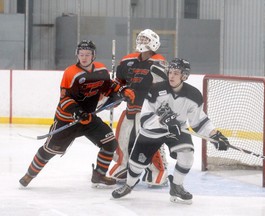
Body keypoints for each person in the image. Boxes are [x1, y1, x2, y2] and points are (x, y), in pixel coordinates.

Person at [111, 58, 229, 204]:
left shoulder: (193, 95)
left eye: (176, 73)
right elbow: (145, 119)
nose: (171, 76)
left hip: (177, 131)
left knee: (187, 155)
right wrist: (164, 121)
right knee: (137, 164)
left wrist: (215, 135)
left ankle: (177, 186)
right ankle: (129, 185)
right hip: (151, 132)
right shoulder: (155, 90)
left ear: (184, 76)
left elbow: (199, 121)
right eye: (170, 72)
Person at [19, 40, 135, 188]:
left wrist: (122, 90)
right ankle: (29, 175)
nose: (84, 58)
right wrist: (78, 112)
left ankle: (99, 175)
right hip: (68, 120)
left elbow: (109, 87)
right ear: (77, 55)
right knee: (49, 151)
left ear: (93, 56)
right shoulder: (71, 73)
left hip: (89, 118)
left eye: (87, 54)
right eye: (81, 54)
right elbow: (65, 99)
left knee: (110, 143)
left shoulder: (101, 70)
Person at [109, 29, 169, 186]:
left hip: (149, 111)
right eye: (140, 39)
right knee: (123, 138)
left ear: (154, 43)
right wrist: (117, 93)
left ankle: (158, 170)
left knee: (148, 142)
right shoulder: (128, 60)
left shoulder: (159, 62)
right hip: (131, 108)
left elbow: (163, 89)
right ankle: (124, 166)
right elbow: (119, 82)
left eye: (145, 39)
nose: (142, 42)